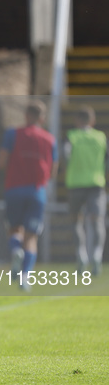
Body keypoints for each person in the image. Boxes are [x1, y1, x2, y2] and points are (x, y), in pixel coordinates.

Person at [0, 100, 58, 290]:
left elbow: (1, 162)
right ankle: (26, 277)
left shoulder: (12, 134)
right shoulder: (50, 139)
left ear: (26, 115)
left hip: (14, 189)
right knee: (31, 237)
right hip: (37, 192)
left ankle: (16, 250)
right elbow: (53, 172)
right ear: (42, 118)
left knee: (14, 229)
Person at [64, 106, 107, 275]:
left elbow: (65, 154)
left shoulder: (72, 136)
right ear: (93, 121)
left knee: (76, 222)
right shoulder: (101, 137)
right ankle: (96, 254)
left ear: (77, 121)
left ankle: (81, 254)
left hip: (75, 184)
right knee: (97, 221)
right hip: (96, 184)